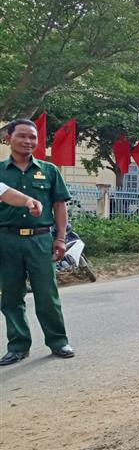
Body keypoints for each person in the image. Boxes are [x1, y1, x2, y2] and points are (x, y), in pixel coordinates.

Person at [0, 119, 74, 366]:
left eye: (33, 137)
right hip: (6, 240)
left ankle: (58, 341)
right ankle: (18, 345)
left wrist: (61, 238)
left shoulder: (49, 170)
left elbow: (60, 206)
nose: (28, 141)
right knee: (11, 295)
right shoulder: (0, 172)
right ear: (9, 138)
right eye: (22, 136)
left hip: (41, 239)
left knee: (47, 294)